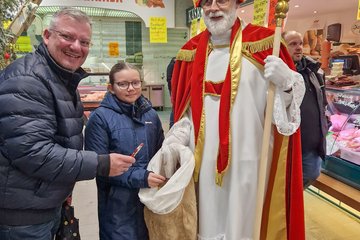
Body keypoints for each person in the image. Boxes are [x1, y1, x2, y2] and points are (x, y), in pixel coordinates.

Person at [169, 0, 306, 239]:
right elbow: (183, 113)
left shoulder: (266, 44)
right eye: (206, 2)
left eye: (221, 0)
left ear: (236, 3)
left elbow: (285, 116)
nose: (213, 8)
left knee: (244, 224)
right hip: (202, 165)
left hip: (250, 160)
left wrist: (287, 84)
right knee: (206, 223)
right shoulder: (188, 53)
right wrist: (176, 137)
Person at [0, 8, 134, 240]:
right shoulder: (28, 80)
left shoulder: (59, 78)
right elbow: (34, 153)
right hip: (22, 218)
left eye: (84, 41)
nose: (76, 47)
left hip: (43, 203)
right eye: (67, 37)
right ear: (47, 35)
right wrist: (101, 164)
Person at [84, 62, 165, 240]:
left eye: (135, 83)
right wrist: (142, 177)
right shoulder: (100, 119)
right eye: (123, 84)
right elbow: (99, 167)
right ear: (111, 88)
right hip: (117, 205)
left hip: (149, 199)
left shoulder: (151, 115)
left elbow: (161, 152)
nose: (131, 89)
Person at [282, 30, 328, 188]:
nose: (299, 47)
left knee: (311, 174)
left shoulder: (313, 71)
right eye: (293, 44)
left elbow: (322, 102)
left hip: (311, 143)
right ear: (282, 46)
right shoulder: (280, 74)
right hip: (288, 143)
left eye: (300, 43)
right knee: (284, 181)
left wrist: (324, 124)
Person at [166, 57, 176, 128]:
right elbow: (169, 79)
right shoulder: (172, 65)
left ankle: (172, 125)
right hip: (173, 89)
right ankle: (171, 125)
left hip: (172, 89)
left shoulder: (170, 65)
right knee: (174, 106)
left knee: (174, 106)